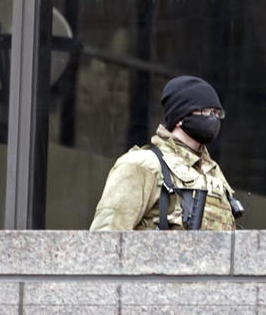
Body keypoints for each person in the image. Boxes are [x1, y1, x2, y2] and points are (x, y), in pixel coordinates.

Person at [89, 75, 240, 231]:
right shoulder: (144, 164)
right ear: (181, 116)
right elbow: (106, 237)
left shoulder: (215, 177)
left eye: (216, 113)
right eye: (205, 111)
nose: (213, 118)